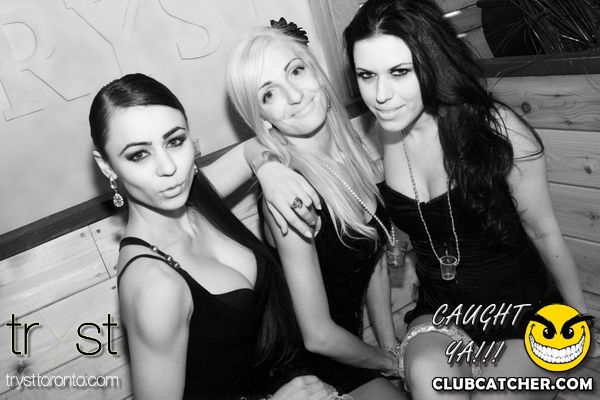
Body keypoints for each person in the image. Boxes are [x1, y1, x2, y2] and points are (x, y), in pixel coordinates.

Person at [343, 0, 592, 398]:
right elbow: (418, 224)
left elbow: (544, 232)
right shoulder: (388, 130)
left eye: (399, 72)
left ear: (431, 62)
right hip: (441, 312)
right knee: (428, 381)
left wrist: (578, 320)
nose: (381, 95)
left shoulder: (497, 128)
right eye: (366, 75)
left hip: (520, 312)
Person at [88, 73, 337, 400]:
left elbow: (252, 148)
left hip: (304, 379)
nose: (168, 167)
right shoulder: (155, 285)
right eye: (139, 155)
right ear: (107, 166)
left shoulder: (190, 195)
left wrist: (268, 169)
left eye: (174, 141)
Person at [226, 25, 406, 400]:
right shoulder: (288, 194)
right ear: (262, 118)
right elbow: (317, 336)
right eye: (269, 93)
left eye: (296, 71)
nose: (294, 96)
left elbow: (372, 259)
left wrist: (391, 350)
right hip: (303, 369)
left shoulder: (351, 152)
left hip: (349, 349)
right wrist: (388, 364)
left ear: (316, 71)